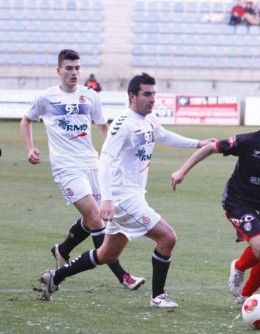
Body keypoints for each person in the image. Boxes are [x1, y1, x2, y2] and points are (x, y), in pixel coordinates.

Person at [37, 72, 215, 309]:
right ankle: (158, 295)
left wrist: (198, 143)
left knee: (106, 255)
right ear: (132, 95)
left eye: (154, 94)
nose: (152, 99)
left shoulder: (149, 120)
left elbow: (164, 135)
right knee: (167, 237)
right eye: (147, 94)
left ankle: (54, 277)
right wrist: (107, 199)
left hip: (132, 195)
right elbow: (106, 161)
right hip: (124, 198)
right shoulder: (123, 124)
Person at [21, 49, 144, 291]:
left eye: (77, 67)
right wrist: (30, 148)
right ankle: (123, 276)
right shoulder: (46, 98)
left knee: (98, 216)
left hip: (92, 163)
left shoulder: (90, 97)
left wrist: (116, 155)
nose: (74, 72)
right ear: (59, 71)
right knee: (97, 219)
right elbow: (26, 120)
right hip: (66, 168)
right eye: (69, 68)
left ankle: (63, 250)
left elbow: (103, 128)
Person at [171, 95, 260, 304]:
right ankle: (239, 266)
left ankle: (245, 297)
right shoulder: (248, 141)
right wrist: (181, 171)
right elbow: (211, 147)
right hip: (237, 202)